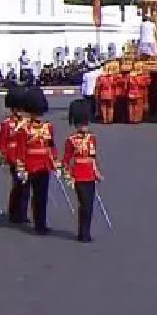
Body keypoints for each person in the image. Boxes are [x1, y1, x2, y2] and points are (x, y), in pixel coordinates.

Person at [62, 99, 102, 242]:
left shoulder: (92, 138)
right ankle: (83, 233)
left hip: (90, 174)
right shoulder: (71, 140)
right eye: (82, 123)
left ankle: (86, 232)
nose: (84, 126)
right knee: (84, 204)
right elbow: (66, 159)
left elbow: (93, 157)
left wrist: (96, 172)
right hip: (78, 175)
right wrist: (67, 174)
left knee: (90, 205)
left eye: (85, 123)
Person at [22, 86, 57, 234]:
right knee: (25, 192)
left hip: (43, 163)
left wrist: (55, 160)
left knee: (41, 196)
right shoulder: (23, 128)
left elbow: (51, 145)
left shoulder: (47, 127)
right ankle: (21, 214)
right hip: (29, 162)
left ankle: (40, 223)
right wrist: (20, 165)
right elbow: (21, 148)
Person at [0, 85, 31, 224]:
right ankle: (13, 212)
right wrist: (4, 158)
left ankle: (22, 213)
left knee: (26, 186)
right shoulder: (7, 124)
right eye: (17, 108)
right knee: (17, 185)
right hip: (13, 157)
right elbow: (2, 142)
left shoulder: (27, 123)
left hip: (26, 156)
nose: (19, 111)